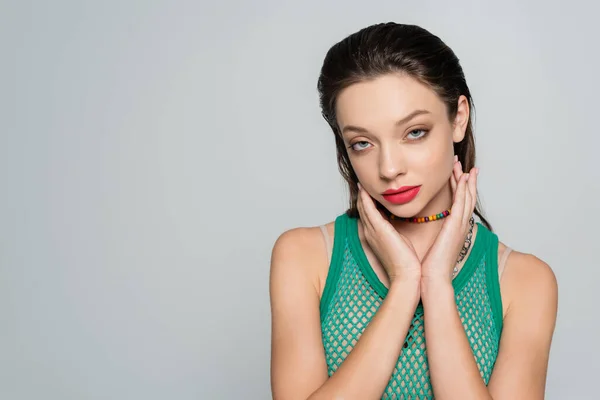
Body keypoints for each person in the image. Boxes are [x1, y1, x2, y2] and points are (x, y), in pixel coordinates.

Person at [269, 22, 558, 400]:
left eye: (414, 132)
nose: (389, 168)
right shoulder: (304, 257)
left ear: (458, 118)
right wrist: (405, 282)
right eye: (362, 143)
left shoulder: (525, 282)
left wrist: (437, 284)